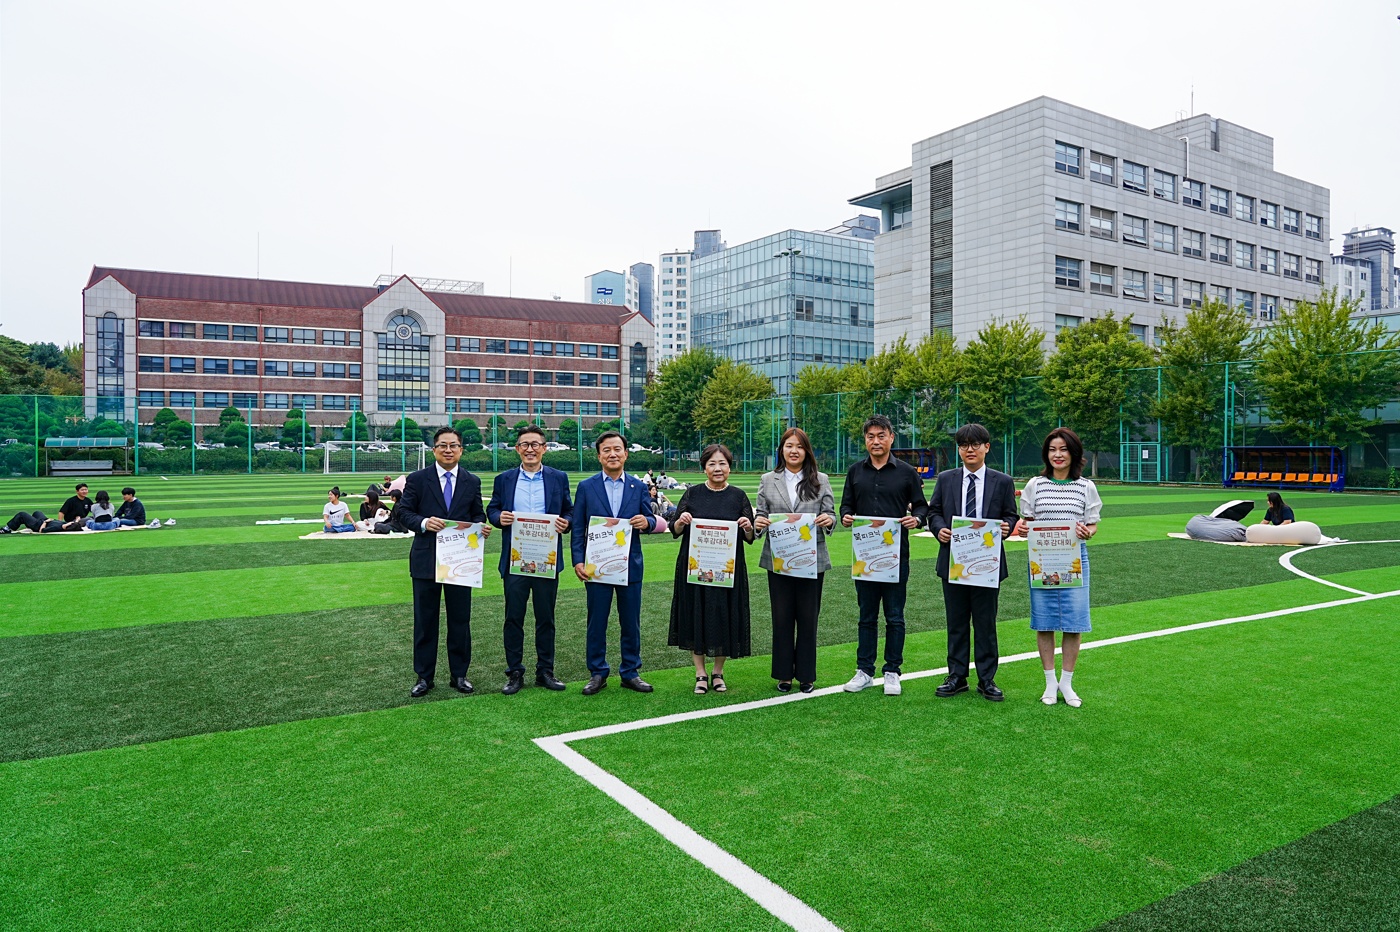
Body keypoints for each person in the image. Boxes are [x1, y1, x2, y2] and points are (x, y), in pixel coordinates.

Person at [839, 415, 929, 696]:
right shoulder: (855, 471)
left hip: (895, 556)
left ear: (891, 438)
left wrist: (917, 520)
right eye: (870, 436)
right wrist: (845, 517)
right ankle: (864, 670)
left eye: (881, 435)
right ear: (864, 440)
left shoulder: (906, 473)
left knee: (894, 616)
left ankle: (892, 671)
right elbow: (845, 506)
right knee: (866, 616)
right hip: (864, 556)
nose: (875, 441)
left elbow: (923, 508)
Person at [929, 423, 1020, 702]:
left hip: (987, 564)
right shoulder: (946, 479)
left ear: (986, 448)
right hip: (954, 562)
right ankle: (956, 676)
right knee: (956, 622)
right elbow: (933, 512)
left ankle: (986, 678)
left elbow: (1011, 515)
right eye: (964, 445)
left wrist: (1007, 526)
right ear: (959, 450)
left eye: (976, 444)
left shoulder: (1002, 481)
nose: (970, 449)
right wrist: (939, 528)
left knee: (985, 622)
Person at [397, 426, 489, 698]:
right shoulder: (417, 479)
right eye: (443, 445)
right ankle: (424, 677)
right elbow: (403, 512)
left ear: (461, 450)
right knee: (425, 621)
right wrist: (424, 522)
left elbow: (477, 513)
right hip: (427, 560)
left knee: (460, 620)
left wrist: (481, 526)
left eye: (453, 445)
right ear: (434, 449)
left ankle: (459, 675)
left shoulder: (471, 481)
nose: (448, 450)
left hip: (461, 560)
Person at [1013, 428, 1101, 708]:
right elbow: (1026, 522)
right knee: (1045, 621)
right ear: (1046, 454)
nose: (1058, 455)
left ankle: (1067, 683)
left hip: (1075, 560)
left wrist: (1089, 531)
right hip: (1042, 561)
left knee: (1074, 623)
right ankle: (1050, 682)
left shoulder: (1086, 486)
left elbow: (1092, 524)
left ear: (1074, 453)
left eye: (1063, 449)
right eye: (1052, 449)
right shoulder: (1035, 485)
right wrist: (1023, 528)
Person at [488, 425, 573, 695]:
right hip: (515, 559)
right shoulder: (504, 479)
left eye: (536, 444)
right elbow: (492, 509)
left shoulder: (559, 478)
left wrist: (566, 523)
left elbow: (569, 511)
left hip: (546, 558)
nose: (530, 449)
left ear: (544, 448)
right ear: (517, 449)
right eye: (524, 444)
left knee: (545, 617)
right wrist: (498, 518)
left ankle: (545, 670)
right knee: (514, 617)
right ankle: (514, 671)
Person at [571, 431, 657, 695]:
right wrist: (577, 561)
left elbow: (651, 518)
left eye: (617, 449)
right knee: (597, 621)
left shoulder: (638, 486)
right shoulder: (587, 487)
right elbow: (578, 528)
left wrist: (647, 522)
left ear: (626, 454)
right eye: (606, 450)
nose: (612, 454)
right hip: (596, 567)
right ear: (599, 456)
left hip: (629, 566)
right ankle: (597, 672)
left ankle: (630, 672)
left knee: (630, 621)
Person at [668, 443, 756, 695]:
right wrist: (682, 522)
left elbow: (749, 537)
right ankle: (700, 673)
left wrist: (746, 525)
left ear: (729, 467)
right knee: (697, 613)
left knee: (723, 614)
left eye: (723, 464)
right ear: (704, 468)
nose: (718, 468)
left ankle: (718, 672)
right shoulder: (692, 494)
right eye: (712, 464)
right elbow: (675, 530)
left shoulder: (738, 496)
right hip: (695, 567)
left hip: (727, 569)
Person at [755, 427, 836, 694]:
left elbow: (830, 514)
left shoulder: (820, 479)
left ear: (806, 451)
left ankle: (806, 675)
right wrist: (759, 523)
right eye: (789, 445)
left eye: (799, 446)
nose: (793, 450)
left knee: (808, 618)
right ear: (781, 450)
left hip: (811, 560)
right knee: (781, 618)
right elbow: (760, 515)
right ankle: (783, 674)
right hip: (778, 560)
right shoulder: (768, 479)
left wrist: (829, 521)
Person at [2, 510, 83, 534]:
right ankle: (29, 524)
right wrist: (77, 519)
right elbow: (75, 523)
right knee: (37, 512)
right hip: (44, 520)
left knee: (22, 514)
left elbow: (42, 530)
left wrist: (45, 522)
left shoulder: (57, 527)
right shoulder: (66, 525)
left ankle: (7, 529)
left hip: (38, 525)